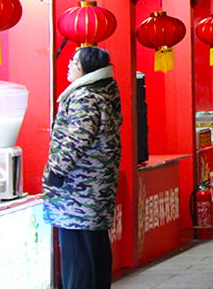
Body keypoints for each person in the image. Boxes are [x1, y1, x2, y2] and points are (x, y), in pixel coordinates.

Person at [43, 46, 122, 289]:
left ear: (86, 69)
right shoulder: (104, 92)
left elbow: (77, 139)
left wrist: (56, 172)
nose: (69, 65)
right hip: (96, 187)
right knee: (94, 248)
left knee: (78, 255)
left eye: (74, 62)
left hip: (79, 191)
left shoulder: (84, 96)